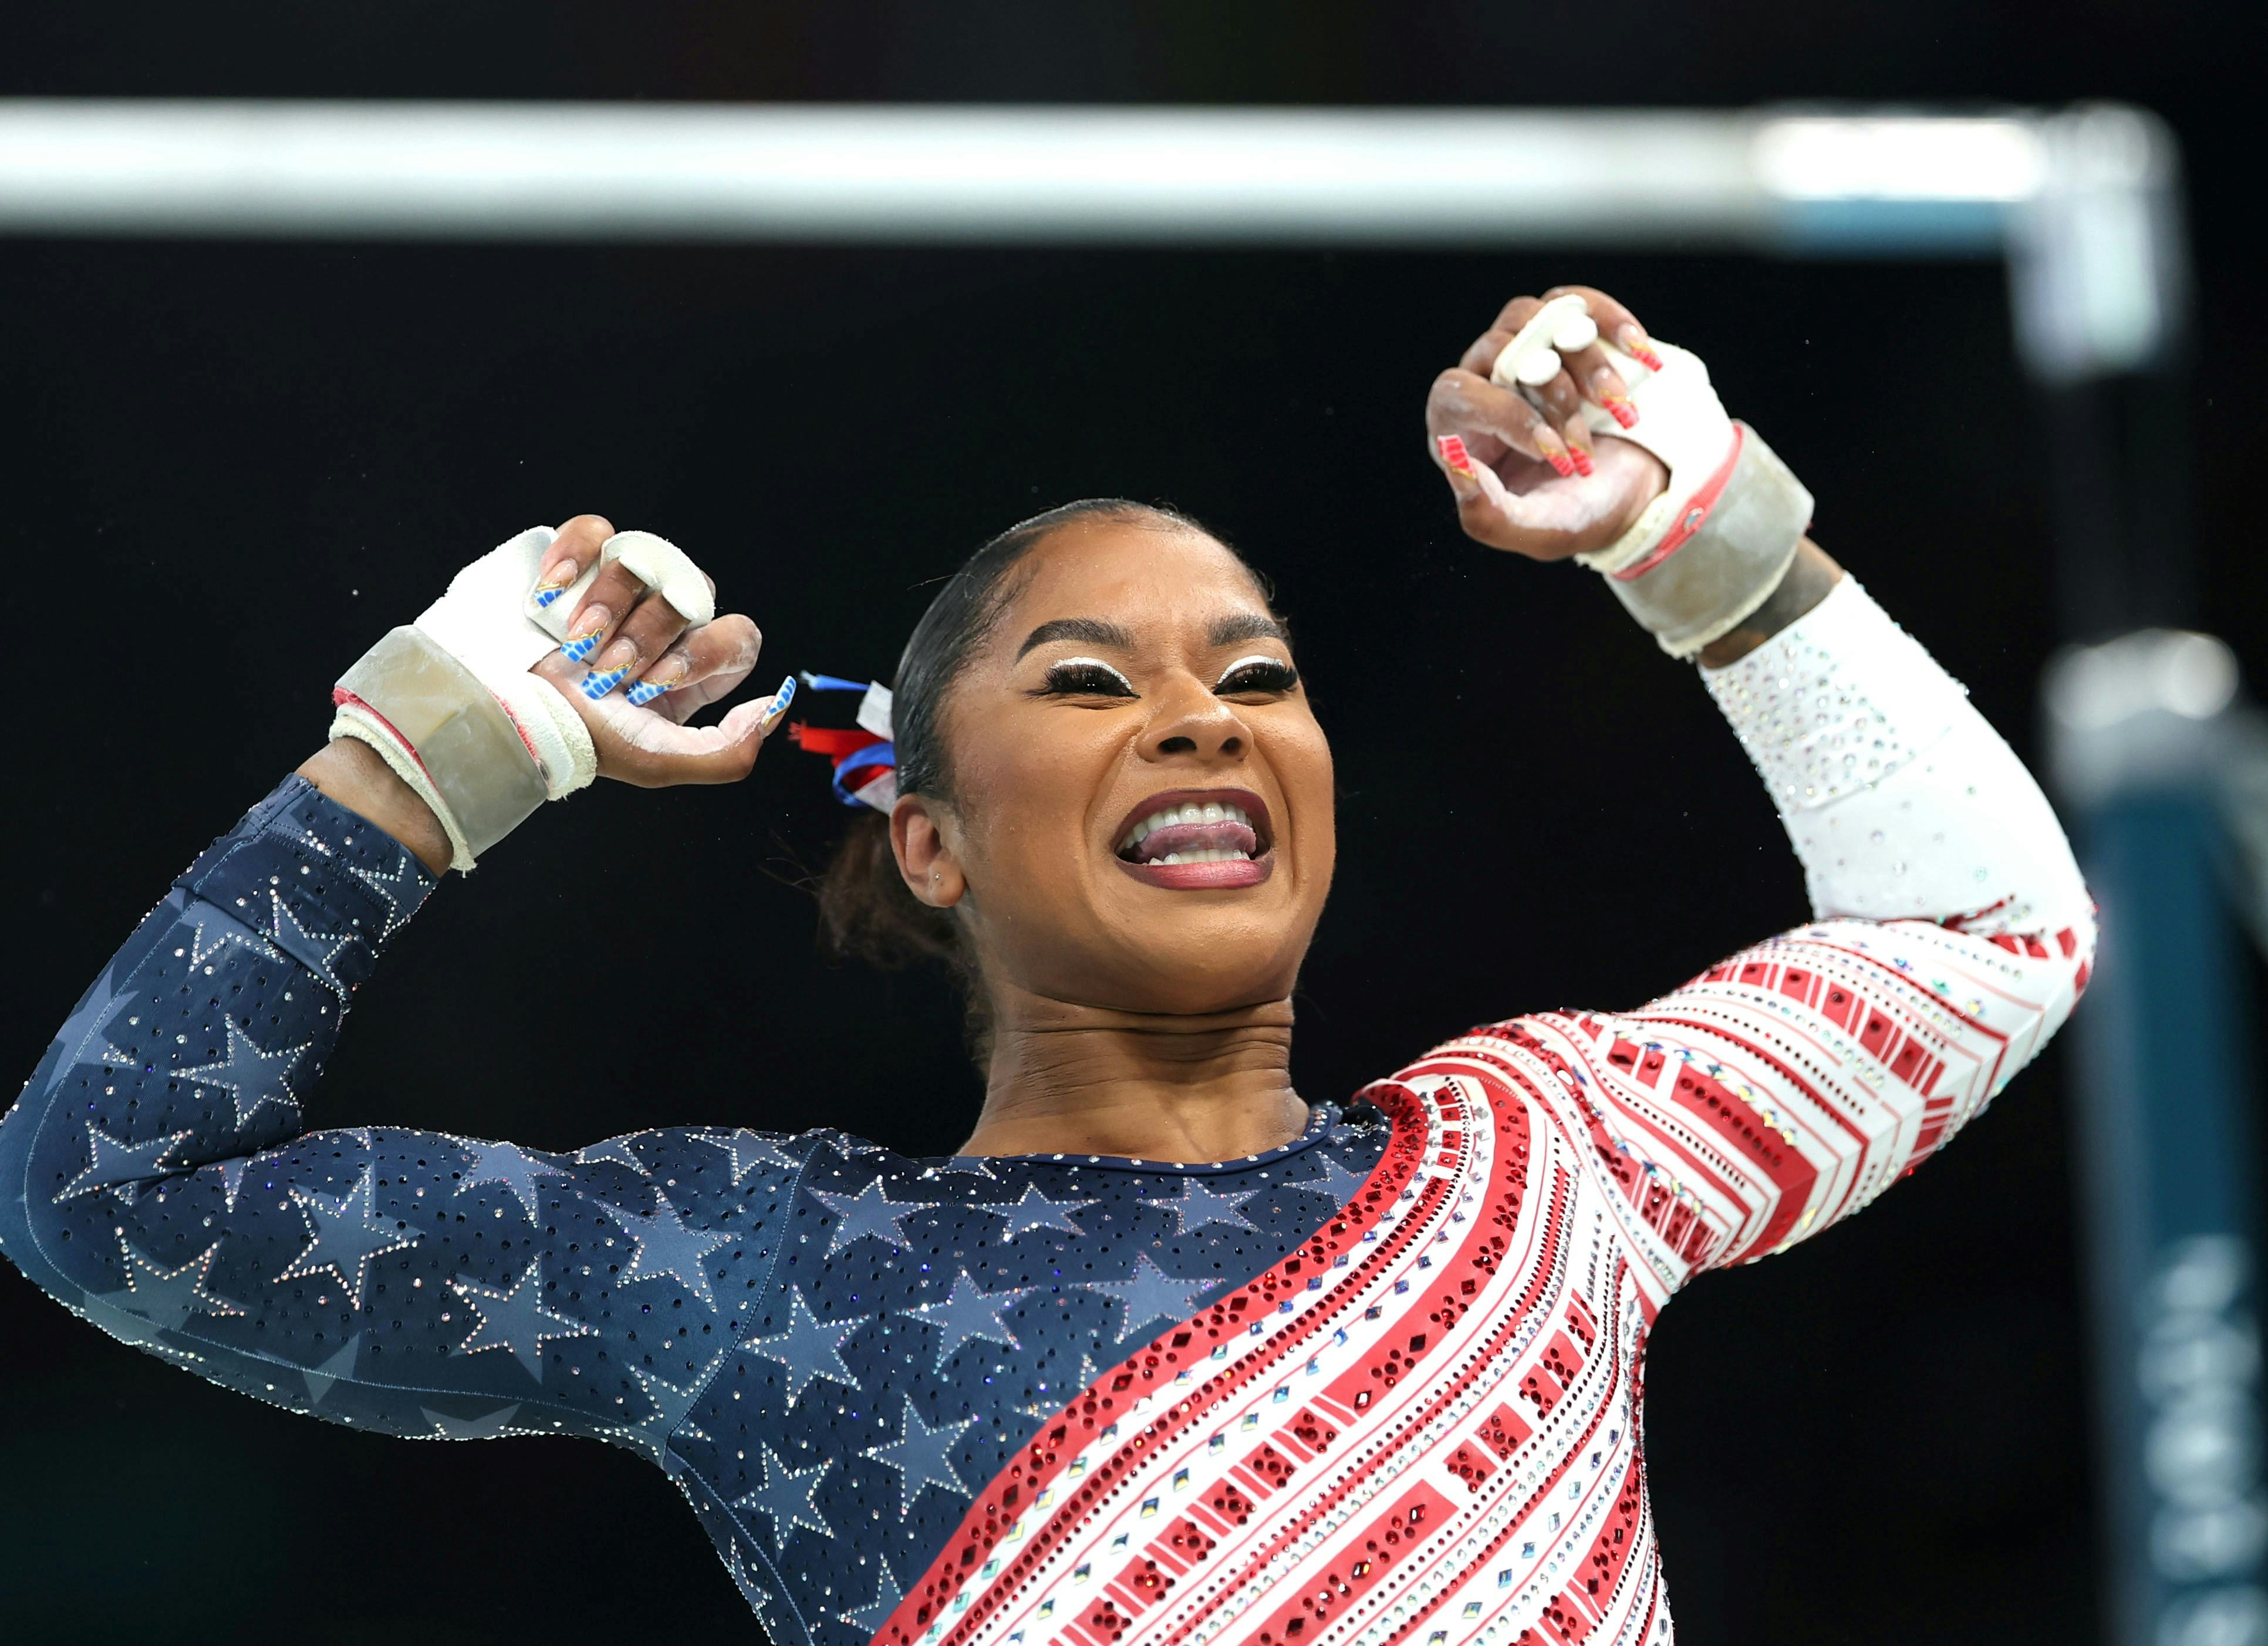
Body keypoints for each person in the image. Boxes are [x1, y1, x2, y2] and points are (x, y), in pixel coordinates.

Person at [0, 284, 2091, 1646]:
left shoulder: (1546, 1159)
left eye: (1257, 677)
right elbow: (106, 1200)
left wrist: (1714, 547)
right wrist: (432, 755)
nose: (1205, 718)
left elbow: (2000, 936)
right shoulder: (765, 1263)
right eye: (1091, 681)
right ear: (925, 831)